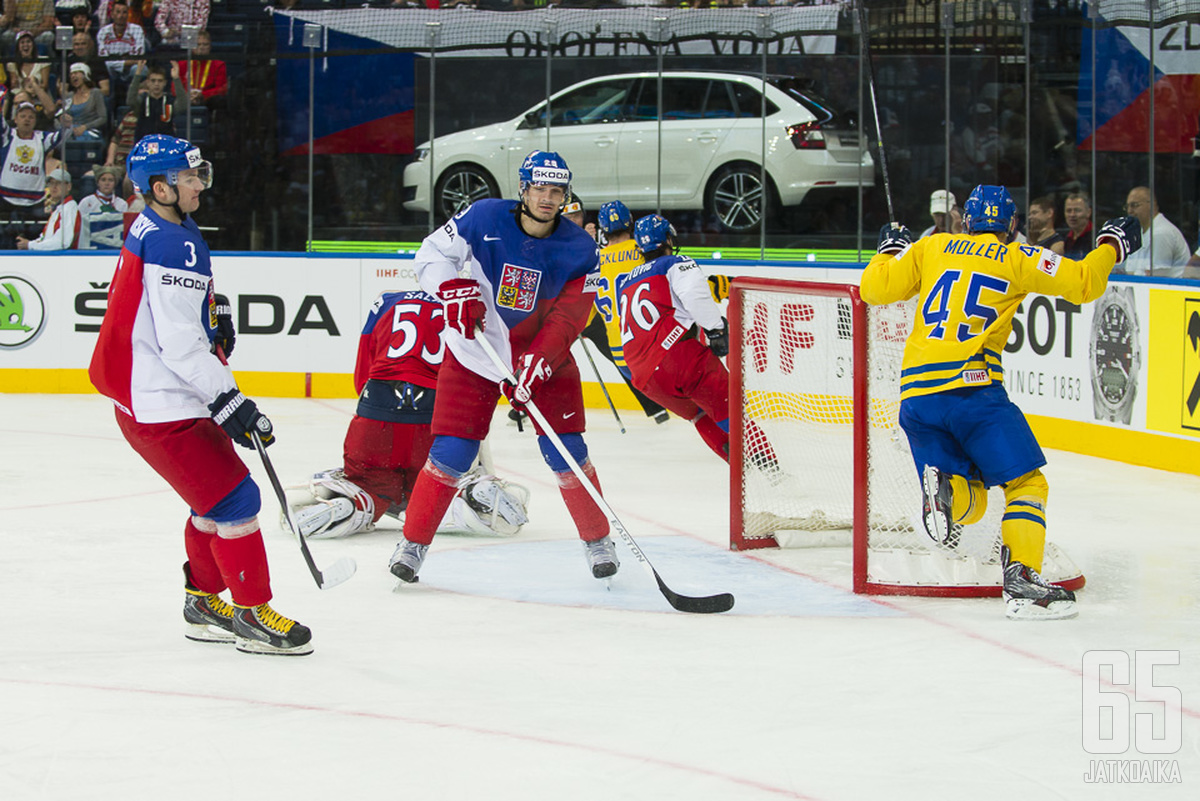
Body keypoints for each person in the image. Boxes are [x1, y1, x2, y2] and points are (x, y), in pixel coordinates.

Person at [860, 184, 1142, 620]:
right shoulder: (1017, 257)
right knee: (1027, 484)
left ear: (965, 221)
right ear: (1010, 226)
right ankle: (1023, 583)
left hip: (916, 399)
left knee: (973, 502)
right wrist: (1111, 244)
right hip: (973, 391)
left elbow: (874, 290)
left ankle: (948, 491)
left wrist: (891, 251)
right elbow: (1084, 284)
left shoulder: (930, 247)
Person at [88, 134, 313, 656]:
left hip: (156, 397)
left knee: (209, 504)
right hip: (162, 403)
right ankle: (253, 615)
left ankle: (203, 601)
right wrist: (231, 401)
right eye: (189, 178)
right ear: (161, 187)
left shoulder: (163, 226)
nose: (199, 185)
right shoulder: (172, 241)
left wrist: (213, 313)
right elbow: (181, 347)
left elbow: (173, 313)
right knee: (238, 501)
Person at [387, 149, 619, 584]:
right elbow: (430, 254)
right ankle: (413, 545)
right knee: (452, 453)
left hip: (543, 359)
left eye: (556, 191)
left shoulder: (581, 248)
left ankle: (597, 540)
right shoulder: (483, 218)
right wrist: (453, 287)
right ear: (523, 188)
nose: (547, 198)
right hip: (476, 352)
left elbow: (571, 316)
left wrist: (538, 361)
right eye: (539, 189)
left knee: (566, 450)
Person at [290, 289, 531, 541]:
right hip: (434, 417)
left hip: (376, 412)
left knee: (368, 483)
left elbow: (363, 372)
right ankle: (464, 499)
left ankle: (356, 504)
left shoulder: (385, 301)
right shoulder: (472, 306)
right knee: (441, 482)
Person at [616, 213, 781, 471]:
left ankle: (741, 471)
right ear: (668, 239)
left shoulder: (627, 281)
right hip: (678, 358)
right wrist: (715, 330)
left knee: (698, 415)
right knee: (731, 411)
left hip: (642, 376)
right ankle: (772, 470)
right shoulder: (675, 263)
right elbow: (694, 294)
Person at [580, 198, 668, 424]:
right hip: (649, 345)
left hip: (620, 353)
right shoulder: (641, 251)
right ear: (630, 222)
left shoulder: (593, 261)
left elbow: (586, 312)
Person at [1, 98, 69, 210]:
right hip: (5, 198)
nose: (27, 119)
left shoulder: (42, 138)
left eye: (31, 117)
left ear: (35, 121)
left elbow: (60, 137)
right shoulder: (8, 135)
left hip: (35, 200)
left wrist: (66, 126)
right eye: (23, 116)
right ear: (16, 119)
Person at [1117, 186, 1189, 278]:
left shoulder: (1161, 233)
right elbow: (1131, 271)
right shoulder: (1140, 233)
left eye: (1134, 205)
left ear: (1152, 205)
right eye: (1127, 206)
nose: (1129, 211)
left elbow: (1155, 277)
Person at [16, 165, 86, 248]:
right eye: (51, 183)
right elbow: (45, 239)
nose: (54, 186)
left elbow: (62, 242)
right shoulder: (59, 209)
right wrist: (28, 244)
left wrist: (30, 245)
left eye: (58, 183)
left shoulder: (69, 208)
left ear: (69, 187)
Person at [96, 1, 146, 101]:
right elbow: (104, 60)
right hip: (110, 70)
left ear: (128, 14)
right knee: (103, 68)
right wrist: (126, 62)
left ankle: (133, 100)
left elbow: (139, 57)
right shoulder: (103, 32)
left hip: (130, 69)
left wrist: (119, 62)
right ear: (112, 14)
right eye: (118, 12)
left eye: (124, 12)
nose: (121, 16)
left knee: (142, 69)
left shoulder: (137, 30)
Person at [127, 62, 186, 142]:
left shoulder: (169, 101)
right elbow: (130, 101)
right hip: (144, 143)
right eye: (153, 81)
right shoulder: (142, 100)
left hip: (166, 143)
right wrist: (137, 75)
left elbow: (183, 105)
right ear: (147, 82)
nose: (156, 84)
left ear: (165, 83)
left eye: (160, 81)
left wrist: (176, 78)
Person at [78, 162, 127, 248]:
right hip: (90, 249)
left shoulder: (122, 204)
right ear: (98, 182)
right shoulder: (86, 202)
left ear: (115, 183)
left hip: (115, 248)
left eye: (110, 180)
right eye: (103, 180)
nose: (107, 183)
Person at [175, 28, 226, 110]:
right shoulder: (182, 64)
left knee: (219, 101)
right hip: (185, 99)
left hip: (208, 100)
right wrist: (187, 94)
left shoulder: (218, 64)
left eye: (205, 44)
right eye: (198, 44)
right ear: (192, 47)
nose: (202, 47)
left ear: (210, 47)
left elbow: (221, 89)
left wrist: (203, 94)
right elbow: (174, 87)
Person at [59, 62, 106, 139]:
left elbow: (103, 118)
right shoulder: (69, 95)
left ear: (85, 75)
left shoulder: (95, 93)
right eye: (71, 74)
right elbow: (62, 115)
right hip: (71, 130)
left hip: (90, 130)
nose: (73, 76)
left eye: (76, 73)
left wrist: (85, 127)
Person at [1061, 191, 1093, 260]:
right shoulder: (1065, 239)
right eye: (1069, 211)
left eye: (1077, 210)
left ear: (1088, 212)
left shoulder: (1096, 238)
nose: (1072, 215)